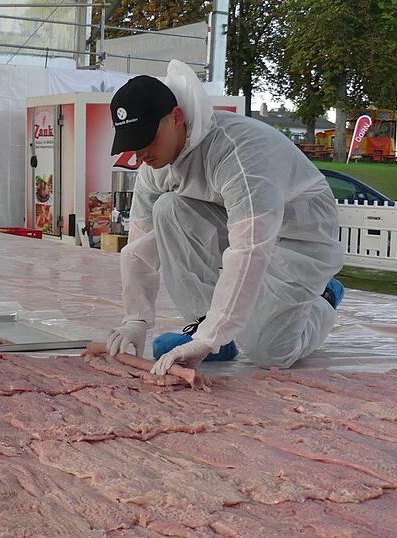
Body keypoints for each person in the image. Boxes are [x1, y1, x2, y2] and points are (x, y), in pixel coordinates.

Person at [106, 60, 345, 375]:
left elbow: (249, 250)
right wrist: (135, 319)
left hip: (299, 236)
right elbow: (140, 243)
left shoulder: (239, 154)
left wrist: (211, 337)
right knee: (168, 209)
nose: (141, 155)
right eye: (133, 146)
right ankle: (206, 325)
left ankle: (324, 296)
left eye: (146, 140)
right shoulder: (156, 165)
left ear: (176, 118)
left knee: (269, 352)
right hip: (241, 225)